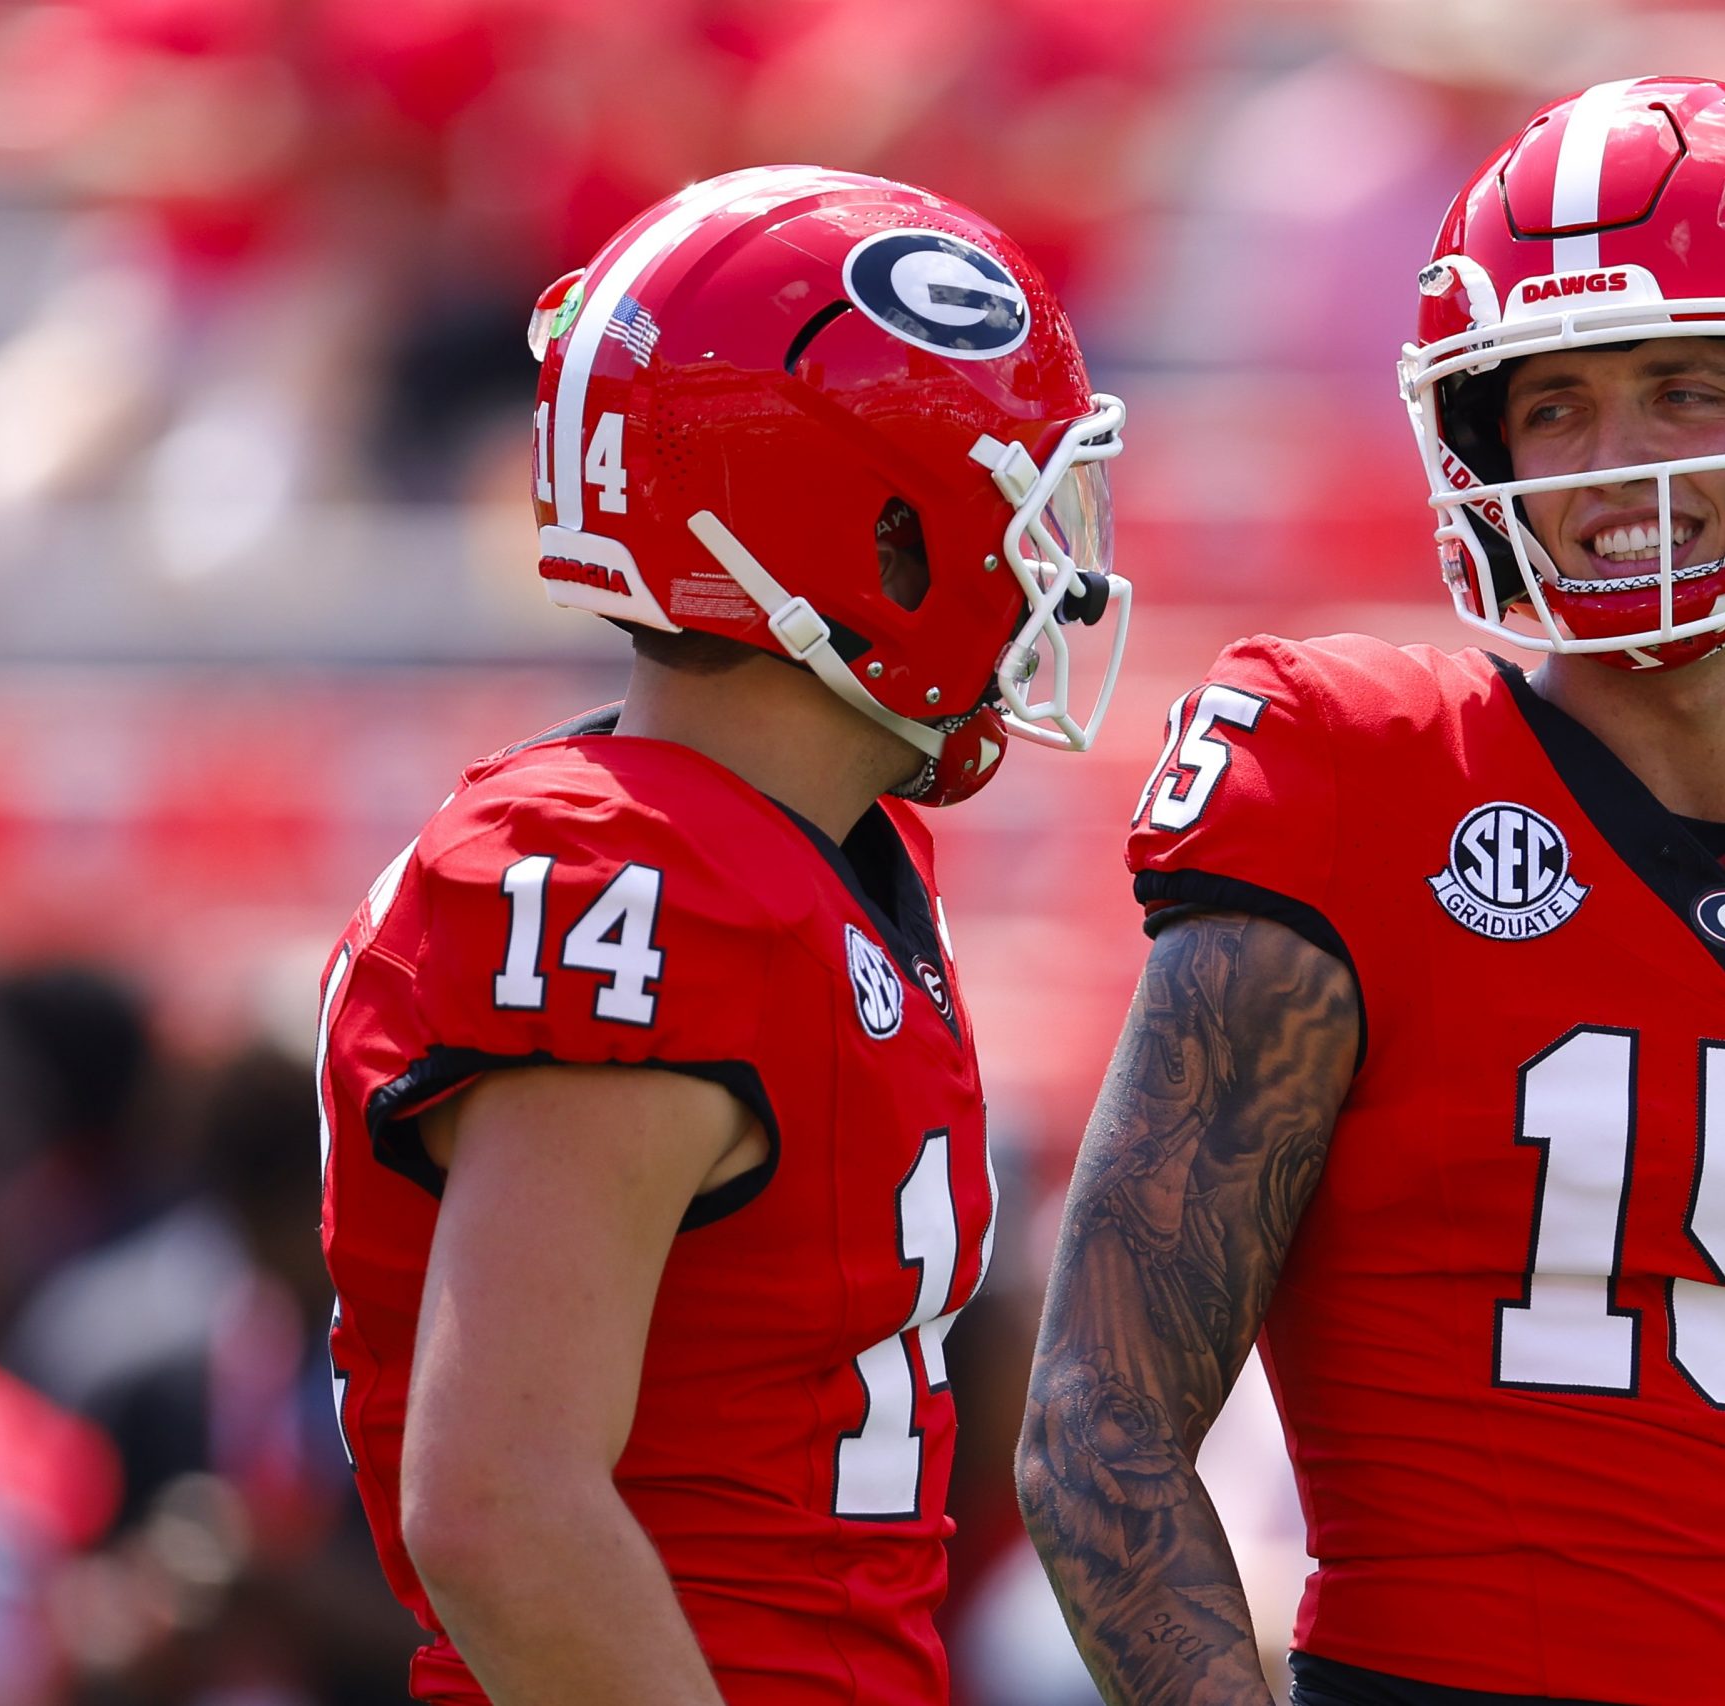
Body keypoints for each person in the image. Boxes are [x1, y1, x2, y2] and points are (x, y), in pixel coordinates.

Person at [1018, 77, 1725, 1706]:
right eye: (1549, 408)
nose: (1609, 466)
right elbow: (1098, 1432)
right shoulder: (1354, 771)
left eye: (1683, 388)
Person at [319, 165, 1129, 1706]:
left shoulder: (819, 855)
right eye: (1018, 505)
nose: (1060, 575)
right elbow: (503, 1509)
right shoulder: (626, 874)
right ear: (877, 533)